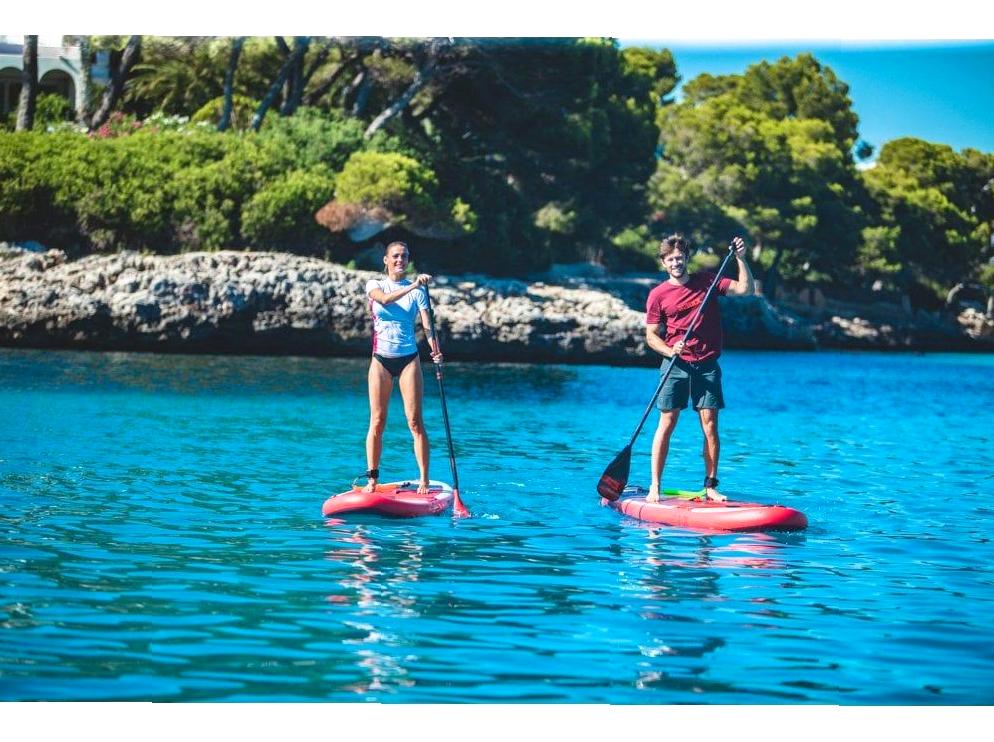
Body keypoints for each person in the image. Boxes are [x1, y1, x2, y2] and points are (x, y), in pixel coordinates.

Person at [644, 234, 754, 502]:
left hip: (707, 364)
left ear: (687, 258)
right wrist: (671, 350)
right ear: (664, 262)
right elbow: (651, 336)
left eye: (680, 258)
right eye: (671, 259)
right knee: (667, 422)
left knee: (710, 426)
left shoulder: (708, 281)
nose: (676, 263)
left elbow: (745, 290)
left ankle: (710, 486)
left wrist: (741, 259)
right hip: (675, 364)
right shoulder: (658, 294)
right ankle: (655, 487)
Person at [362, 241, 442, 494]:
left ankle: (425, 481)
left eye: (404, 256)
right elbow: (384, 300)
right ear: (386, 260)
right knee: (377, 421)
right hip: (380, 361)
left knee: (415, 422)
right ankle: (372, 480)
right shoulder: (375, 285)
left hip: (408, 359)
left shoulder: (417, 291)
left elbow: (428, 326)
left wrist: (435, 350)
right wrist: (416, 285)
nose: (400, 260)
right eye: (395, 256)